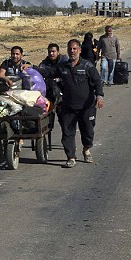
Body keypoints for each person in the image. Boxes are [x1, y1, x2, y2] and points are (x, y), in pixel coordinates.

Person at [35, 39, 104, 168]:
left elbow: (97, 82)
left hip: (86, 107)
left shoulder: (88, 66)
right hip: (68, 106)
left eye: (74, 49)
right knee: (67, 133)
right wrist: (32, 68)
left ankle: (86, 149)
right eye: (69, 49)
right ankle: (71, 157)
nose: (72, 51)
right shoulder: (62, 67)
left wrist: (99, 96)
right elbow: (48, 73)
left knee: (88, 132)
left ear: (79, 50)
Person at [38, 43, 68, 131]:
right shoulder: (44, 64)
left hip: (63, 94)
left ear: (58, 52)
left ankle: (67, 137)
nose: (51, 53)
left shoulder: (65, 62)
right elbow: (40, 74)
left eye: (53, 51)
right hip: (49, 94)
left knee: (64, 119)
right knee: (47, 120)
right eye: (50, 51)